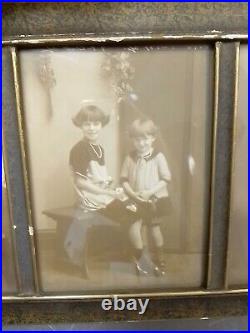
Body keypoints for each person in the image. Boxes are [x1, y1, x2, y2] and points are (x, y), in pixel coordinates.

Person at [121, 118, 172, 276]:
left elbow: (166, 179)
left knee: (154, 228)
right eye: (137, 139)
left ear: (153, 138)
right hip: (136, 200)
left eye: (145, 139)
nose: (141, 143)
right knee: (135, 228)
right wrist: (132, 193)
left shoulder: (158, 157)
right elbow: (123, 180)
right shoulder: (129, 157)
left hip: (153, 200)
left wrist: (150, 192)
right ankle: (140, 257)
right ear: (132, 140)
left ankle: (160, 258)